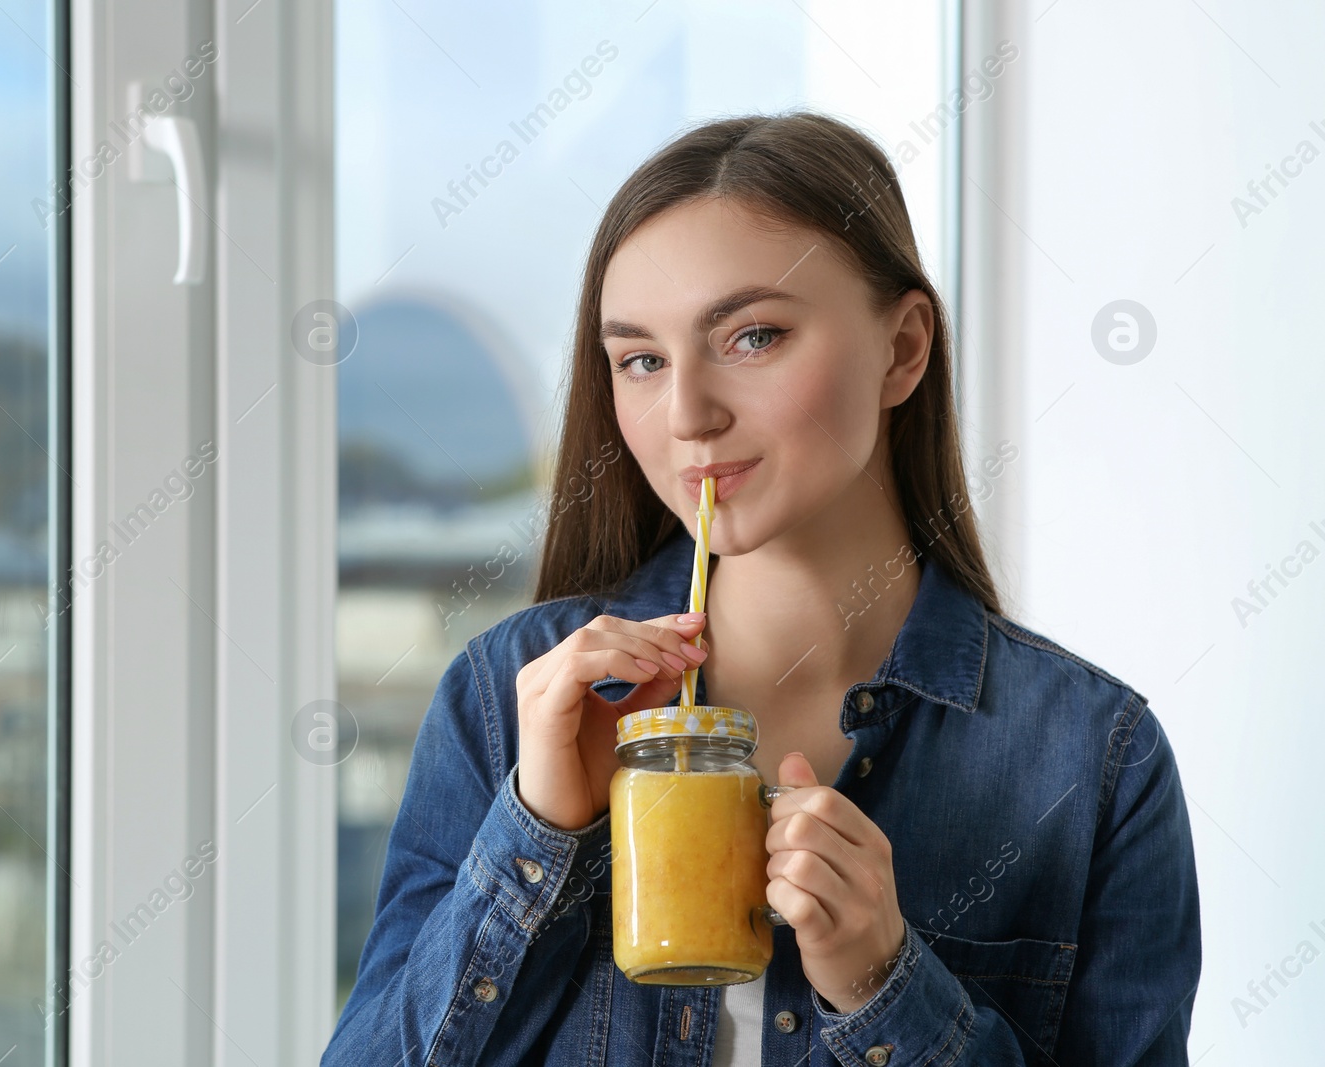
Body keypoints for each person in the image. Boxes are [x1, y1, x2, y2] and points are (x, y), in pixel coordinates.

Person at [323, 110, 1200, 1066]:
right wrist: (537, 829)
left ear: (904, 348)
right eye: (642, 360)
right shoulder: (510, 696)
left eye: (752, 337)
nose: (687, 414)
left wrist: (885, 986)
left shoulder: (1093, 759)